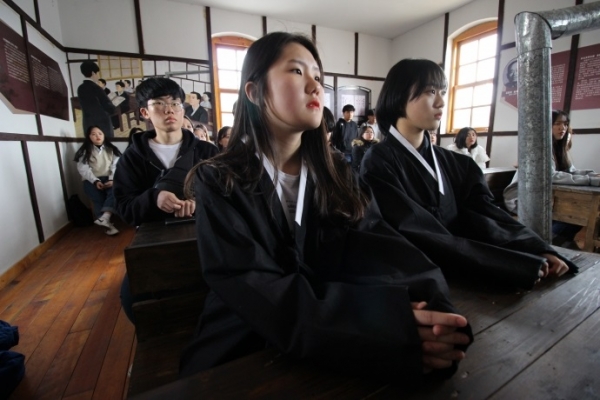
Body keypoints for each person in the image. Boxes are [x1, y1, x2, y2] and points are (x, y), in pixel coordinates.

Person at [179, 32, 472, 385]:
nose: (315, 86)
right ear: (255, 93)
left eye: (318, 76)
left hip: (337, 329)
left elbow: (381, 246)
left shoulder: (338, 175)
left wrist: (434, 305)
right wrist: (374, 327)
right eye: (297, 72)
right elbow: (249, 283)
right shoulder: (218, 180)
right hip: (247, 337)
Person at [360, 58, 576, 290]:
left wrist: (534, 247)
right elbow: (412, 231)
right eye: (431, 91)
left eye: (443, 91)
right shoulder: (378, 162)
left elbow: (486, 215)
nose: (442, 101)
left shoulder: (457, 164)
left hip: (467, 263)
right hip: (424, 278)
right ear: (400, 95)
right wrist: (510, 265)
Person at [113, 77, 218, 323]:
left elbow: (229, 198)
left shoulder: (207, 152)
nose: (169, 110)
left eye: (175, 104)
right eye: (159, 103)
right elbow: (124, 209)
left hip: (205, 237)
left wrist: (199, 202)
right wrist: (154, 197)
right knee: (132, 299)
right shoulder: (132, 158)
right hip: (154, 242)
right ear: (144, 112)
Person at [503, 110, 600, 244]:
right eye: (557, 123)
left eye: (565, 124)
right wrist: (590, 180)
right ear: (547, 126)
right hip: (522, 196)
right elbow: (551, 176)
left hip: (544, 195)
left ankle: (557, 243)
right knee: (574, 215)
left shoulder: (559, 148)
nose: (563, 128)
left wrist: (591, 174)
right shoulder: (539, 147)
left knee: (581, 214)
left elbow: (570, 172)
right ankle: (545, 244)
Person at [74, 126, 121, 235]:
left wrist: (112, 179)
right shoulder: (84, 151)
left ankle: (104, 218)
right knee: (98, 199)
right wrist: (95, 181)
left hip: (109, 178)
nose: (97, 136)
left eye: (100, 133)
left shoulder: (112, 149)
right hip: (91, 180)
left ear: (104, 135)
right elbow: (84, 169)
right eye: (93, 134)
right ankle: (107, 225)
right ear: (89, 137)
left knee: (115, 192)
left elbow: (115, 166)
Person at [77, 61, 116, 138]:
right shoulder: (96, 88)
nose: (98, 76)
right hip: (101, 122)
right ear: (93, 73)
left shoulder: (80, 88)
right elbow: (108, 106)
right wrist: (113, 107)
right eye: (97, 73)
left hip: (88, 122)